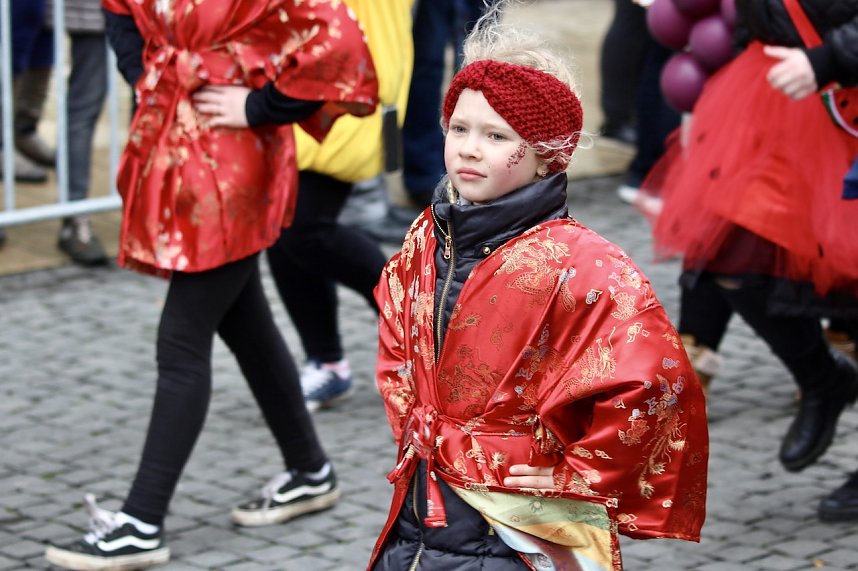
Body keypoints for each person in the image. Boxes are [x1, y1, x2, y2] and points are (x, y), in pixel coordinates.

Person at [368, 5, 709, 569]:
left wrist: (578, 472)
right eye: (459, 128)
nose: (469, 147)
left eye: (497, 135)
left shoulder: (585, 264)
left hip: (518, 522)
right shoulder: (428, 233)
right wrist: (418, 424)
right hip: (422, 504)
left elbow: (654, 383)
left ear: (546, 154)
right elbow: (397, 335)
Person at [43, 1, 378, 569]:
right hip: (178, 149)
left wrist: (259, 105)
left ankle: (141, 522)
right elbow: (120, 14)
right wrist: (154, 74)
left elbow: (337, 40)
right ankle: (311, 469)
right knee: (245, 323)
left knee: (181, 340)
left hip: (233, 165)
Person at [637, 0, 858, 511]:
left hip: (839, 96)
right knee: (729, 255)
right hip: (774, 92)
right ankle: (823, 378)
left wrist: (829, 59)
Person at [266, 0, 413, 411]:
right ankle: (328, 362)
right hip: (296, 79)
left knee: (304, 228)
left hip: (349, 86)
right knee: (283, 230)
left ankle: (419, 329)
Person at [45, 0, 110, 265]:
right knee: (83, 109)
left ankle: (148, 208)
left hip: (151, 13)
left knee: (149, 105)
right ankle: (74, 214)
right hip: (94, 13)